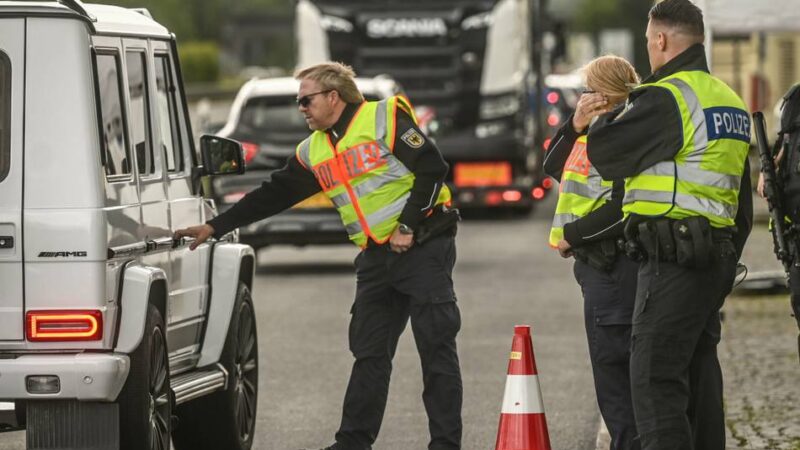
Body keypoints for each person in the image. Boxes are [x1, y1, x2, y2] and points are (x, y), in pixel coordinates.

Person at [175, 62, 462, 450]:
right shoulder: (314, 150)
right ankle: (352, 443)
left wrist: (407, 225)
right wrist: (216, 226)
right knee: (368, 354)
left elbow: (432, 170)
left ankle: (445, 444)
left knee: (435, 349)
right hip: (376, 258)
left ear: (333, 96)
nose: (301, 108)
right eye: (299, 102)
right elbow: (273, 193)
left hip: (424, 245)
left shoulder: (384, 118)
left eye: (306, 100)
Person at [586, 1, 753, 449]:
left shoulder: (666, 97)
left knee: (655, 381)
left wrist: (596, 117)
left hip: (673, 259)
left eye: (647, 41)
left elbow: (606, 155)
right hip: (713, 259)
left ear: (660, 40)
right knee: (700, 380)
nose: (648, 49)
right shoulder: (730, 101)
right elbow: (743, 207)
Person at [544, 55, 640, 450]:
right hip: (595, 267)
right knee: (612, 375)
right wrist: (575, 125)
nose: (581, 98)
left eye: (587, 91)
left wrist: (573, 235)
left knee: (616, 376)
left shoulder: (623, 133)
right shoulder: (591, 132)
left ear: (605, 95)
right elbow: (553, 166)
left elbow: (624, 204)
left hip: (614, 263)